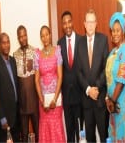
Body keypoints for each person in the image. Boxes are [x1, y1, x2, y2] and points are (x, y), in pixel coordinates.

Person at [76, 9, 109, 142]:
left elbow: (106, 68)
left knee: (103, 135)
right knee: (90, 138)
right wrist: (89, 90)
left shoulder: (103, 39)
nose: (90, 25)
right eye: (88, 22)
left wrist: (96, 88)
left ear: (96, 23)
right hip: (86, 100)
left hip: (100, 99)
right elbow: (78, 72)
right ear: (84, 24)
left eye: (92, 22)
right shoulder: (80, 43)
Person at [105, 12, 125, 142]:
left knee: (124, 136)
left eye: (118, 30)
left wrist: (112, 100)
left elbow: (122, 79)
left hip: (122, 104)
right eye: (113, 30)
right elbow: (108, 78)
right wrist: (108, 99)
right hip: (112, 104)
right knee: (115, 136)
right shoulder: (113, 52)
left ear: (123, 31)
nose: (115, 33)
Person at [35, 25, 66, 142]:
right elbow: (36, 80)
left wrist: (54, 99)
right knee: (45, 126)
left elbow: (60, 76)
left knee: (56, 125)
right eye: (42, 36)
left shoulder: (57, 51)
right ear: (40, 38)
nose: (45, 38)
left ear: (50, 35)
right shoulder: (37, 54)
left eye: (46, 34)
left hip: (56, 100)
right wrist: (42, 100)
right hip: (43, 102)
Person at [57, 11, 84, 142]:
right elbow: (59, 70)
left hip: (80, 94)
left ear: (72, 22)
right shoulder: (59, 43)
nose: (67, 25)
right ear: (62, 25)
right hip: (67, 96)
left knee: (81, 131)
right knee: (70, 132)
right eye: (64, 23)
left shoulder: (81, 40)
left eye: (69, 22)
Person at [0, 33, 20, 142]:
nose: (6, 45)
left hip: (16, 114)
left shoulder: (13, 61)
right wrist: (2, 117)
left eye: (8, 42)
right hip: (4, 118)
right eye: (4, 43)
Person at [13, 25, 39, 142]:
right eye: (20, 36)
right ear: (18, 38)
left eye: (25, 35)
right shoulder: (14, 55)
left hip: (34, 100)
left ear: (27, 35)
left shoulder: (35, 51)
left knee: (38, 132)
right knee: (23, 135)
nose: (23, 38)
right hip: (22, 103)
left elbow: (38, 76)